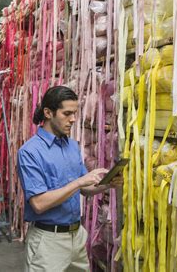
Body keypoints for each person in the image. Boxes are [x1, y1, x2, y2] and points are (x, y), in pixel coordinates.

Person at [17, 86, 122, 272]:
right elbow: (39, 204)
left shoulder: (72, 146)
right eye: (67, 113)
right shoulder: (30, 152)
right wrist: (79, 182)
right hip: (48, 241)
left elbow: (83, 189)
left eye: (74, 113)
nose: (73, 119)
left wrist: (105, 185)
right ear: (48, 113)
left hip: (76, 236)